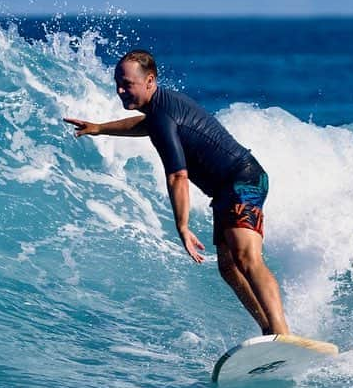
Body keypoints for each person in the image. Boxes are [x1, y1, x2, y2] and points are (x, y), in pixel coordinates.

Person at [64, 50, 290, 335]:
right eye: (117, 83)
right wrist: (100, 128)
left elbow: (178, 176)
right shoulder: (158, 110)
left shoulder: (162, 113)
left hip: (241, 180)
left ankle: (282, 333)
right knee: (229, 268)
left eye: (127, 84)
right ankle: (269, 330)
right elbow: (145, 125)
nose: (120, 90)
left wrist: (182, 226)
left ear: (149, 81)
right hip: (225, 189)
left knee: (247, 259)